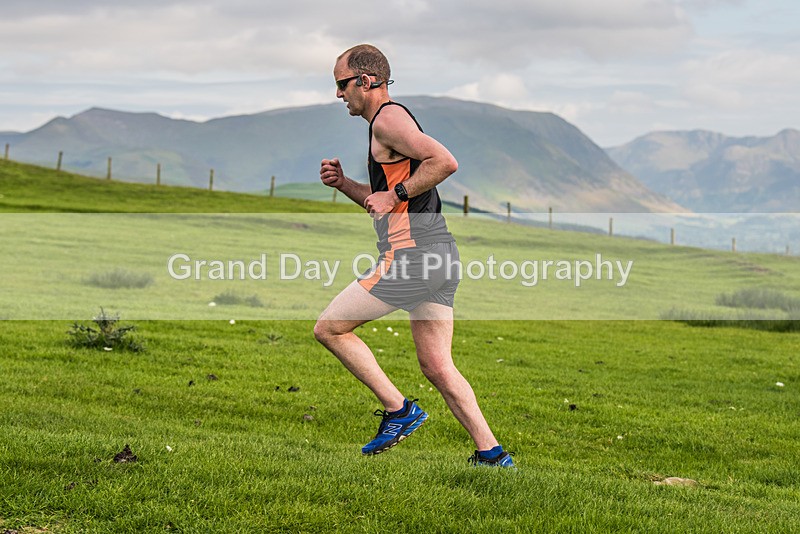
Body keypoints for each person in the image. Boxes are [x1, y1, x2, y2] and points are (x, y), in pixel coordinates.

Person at [315, 44, 514, 468]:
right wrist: (346, 184)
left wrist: (397, 193)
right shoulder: (386, 124)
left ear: (366, 81)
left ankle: (398, 410)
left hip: (413, 257)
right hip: (440, 254)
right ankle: (492, 455)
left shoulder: (387, 119)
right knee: (438, 367)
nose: (338, 94)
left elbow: (444, 161)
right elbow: (381, 200)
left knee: (330, 329)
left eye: (341, 84)